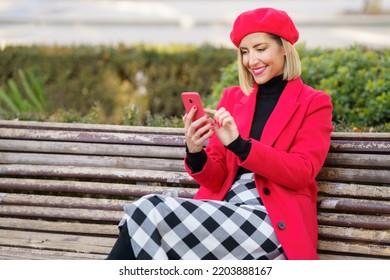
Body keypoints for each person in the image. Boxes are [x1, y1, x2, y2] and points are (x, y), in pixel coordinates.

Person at [106, 7, 333, 260]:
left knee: (148, 210)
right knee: (145, 217)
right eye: (245, 52)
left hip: (273, 221)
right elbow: (216, 179)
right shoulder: (233, 97)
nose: (251, 61)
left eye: (260, 49)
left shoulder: (314, 102)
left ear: (284, 48)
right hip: (224, 211)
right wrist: (195, 152)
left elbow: (302, 171)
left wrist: (240, 146)